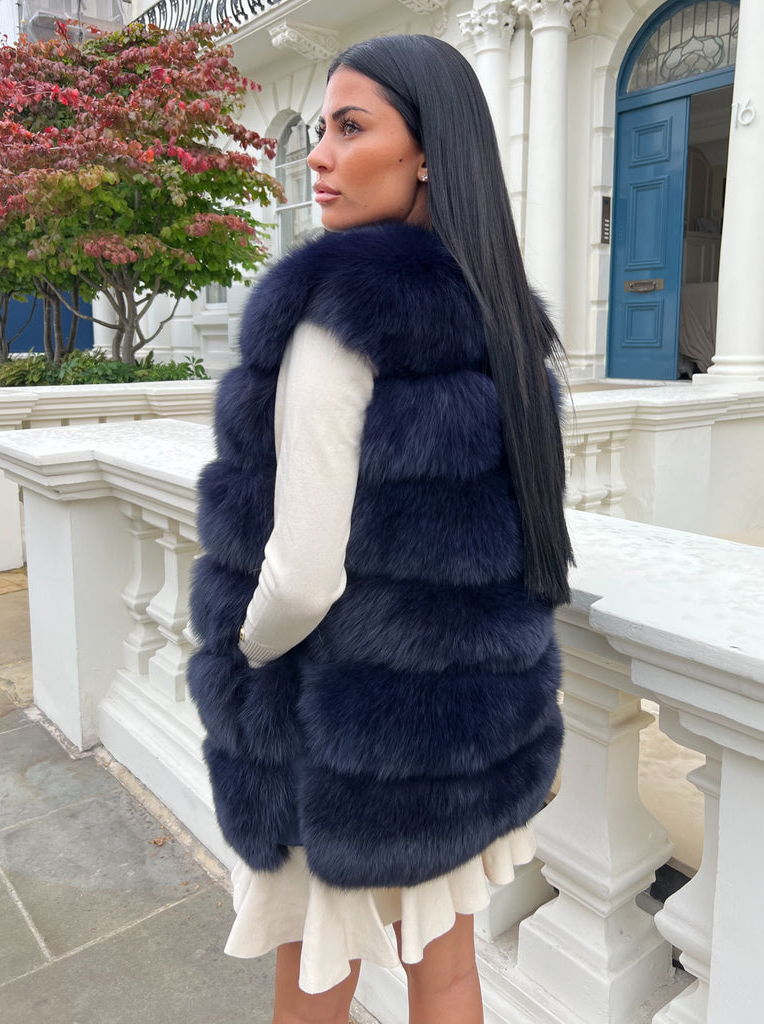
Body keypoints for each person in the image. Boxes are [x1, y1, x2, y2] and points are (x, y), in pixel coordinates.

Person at [188, 33, 573, 1024]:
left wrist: (240, 652)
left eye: (350, 127)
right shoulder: (500, 316)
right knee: (448, 974)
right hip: (463, 735)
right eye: (320, 129)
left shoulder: (336, 319)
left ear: (428, 152)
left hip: (343, 743)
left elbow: (301, 578)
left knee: (315, 983)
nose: (318, 155)